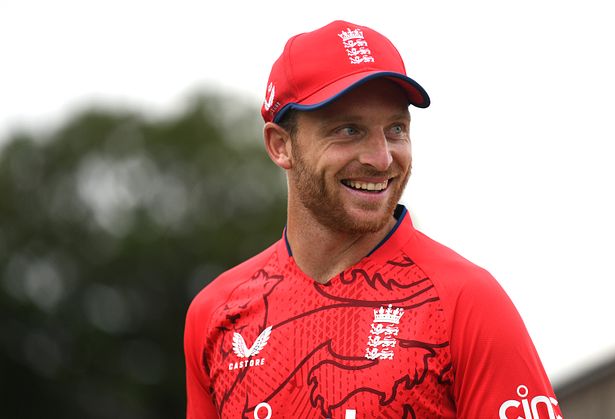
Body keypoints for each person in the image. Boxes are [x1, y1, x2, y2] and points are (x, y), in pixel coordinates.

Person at [184, 20, 562, 419]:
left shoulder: (465, 301)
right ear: (281, 145)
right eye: (349, 130)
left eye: (396, 129)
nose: (381, 158)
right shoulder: (216, 313)